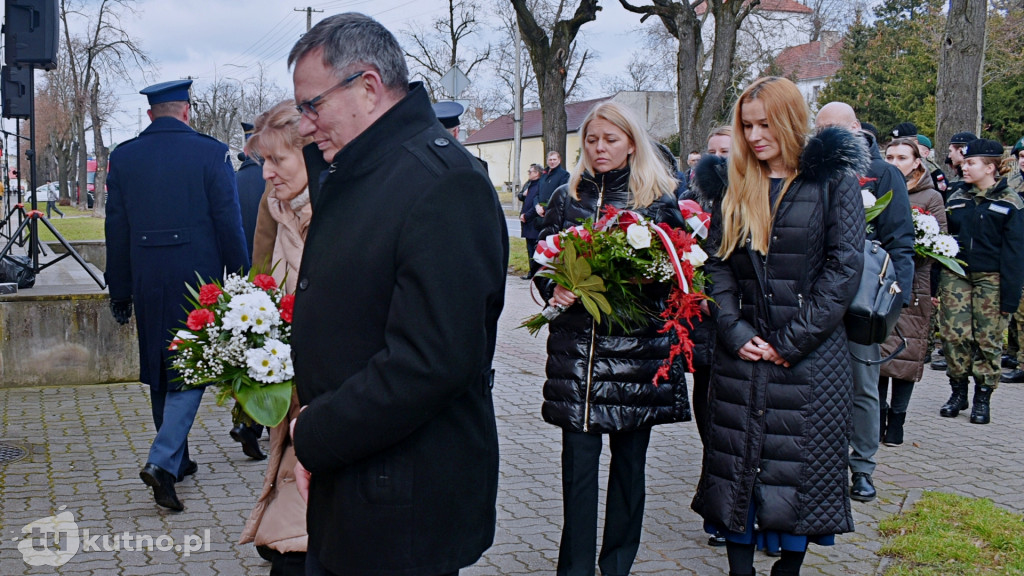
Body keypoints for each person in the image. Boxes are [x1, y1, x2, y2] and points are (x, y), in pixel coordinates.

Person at [286, 13, 508, 576]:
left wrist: (316, 434)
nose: (307, 124)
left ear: (367, 85)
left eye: (313, 105)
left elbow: (431, 361)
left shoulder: (441, 183)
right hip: (359, 476)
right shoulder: (367, 169)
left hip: (403, 497)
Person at [691, 76, 865, 576]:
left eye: (765, 124)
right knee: (736, 461)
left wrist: (790, 342)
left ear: (790, 119)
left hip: (809, 358)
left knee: (800, 466)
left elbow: (844, 268)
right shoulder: (734, 183)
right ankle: (739, 567)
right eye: (747, 125)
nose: (755, 135)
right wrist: (736, 332)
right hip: (741, 352)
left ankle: (788, 567)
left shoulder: (834, 181)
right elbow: (717, 265)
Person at [535, 100, 690, 576]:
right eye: (592, 140)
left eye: (611, 140)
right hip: (578, 358)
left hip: (635, 357)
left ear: (631, 143)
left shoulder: (658, 198)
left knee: (628, 471)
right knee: (577, 473)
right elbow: (542, 261)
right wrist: (553, 285)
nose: (600, 149)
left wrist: (641, 278)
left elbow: (681, 272)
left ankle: (617, 565)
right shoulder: (567, 196)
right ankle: (575, 568)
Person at [104, 79, 250, 511]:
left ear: (151, 114)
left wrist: (121, 289)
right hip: (198, 278)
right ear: (187, 111)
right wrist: (239, 279)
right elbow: (229, 221)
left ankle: (179, 460)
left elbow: (116, 229)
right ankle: (166, 461)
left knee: (159, 366)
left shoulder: (124, 156)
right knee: (193, 366)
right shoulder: (210, 152)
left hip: (149, 276)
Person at [814, 101, 915, 504]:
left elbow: (900, 240)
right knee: (817, 386)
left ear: (855, 127)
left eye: (836, 129)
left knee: (863, 386)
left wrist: (895, 300)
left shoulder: (884, 172)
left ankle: (862, 467)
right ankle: (821, 464)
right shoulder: (814, 170)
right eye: (821, 130)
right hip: (820, 296)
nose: (828, 137)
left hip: (862, 299)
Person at [239, 99, 314, 576]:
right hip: (289, 402)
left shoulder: (343, 214)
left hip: (326, 407)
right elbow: (260, 281)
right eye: (261, 160)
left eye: (276, 159)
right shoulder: (275, 204)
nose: (265, 173)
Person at [938, 138, 1024, 425]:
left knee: (987, 339)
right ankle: (958, 391)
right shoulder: (956, 196)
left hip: (992, 279)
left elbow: (1014, 254)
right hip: (957, 274)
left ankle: (982, 397)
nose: (964, 167)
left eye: (971, 163)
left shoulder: (1010, 201)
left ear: (990, 167)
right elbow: (943, 240)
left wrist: (1010, 298)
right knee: (953, 336)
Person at [877, 137, 946, 446]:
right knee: (877, 353)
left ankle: (898, 419)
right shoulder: (879, 189)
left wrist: (915, 244)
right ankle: (876, 416)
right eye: (889, 156)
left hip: (915, 282)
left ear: (917, 162)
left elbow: (941, 242)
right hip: (879, 279)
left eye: (902, 157)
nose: (894, 162)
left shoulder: (931, 197)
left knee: (907, 353)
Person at [684, 124, 730, 549]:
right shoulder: (691, 199)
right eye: (710, 152)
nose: (716, 159)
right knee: (709, 417)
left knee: (734, 424)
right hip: (702, 327)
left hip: (738, 327)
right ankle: (716, 505)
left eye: (726, 151)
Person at [230, 120, 271, 462]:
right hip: (273, 278)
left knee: (252, 355)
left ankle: (250, 422)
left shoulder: (232, 180)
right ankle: (257, 423)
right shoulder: (278, 180)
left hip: (239, 282)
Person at [1001, 139, 1024, 383]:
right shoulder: (1013, 184)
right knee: (1017, 309)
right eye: (1022, 156)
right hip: (1018, 250)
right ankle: (1015, 353)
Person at [517, 163, 543, 279]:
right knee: (529, 248)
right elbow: (521, 196)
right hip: (527, 221)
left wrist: (526, 216)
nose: (528, 173)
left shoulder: (540, 186)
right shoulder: (529, 184)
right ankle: (531, 272)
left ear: (537, 173)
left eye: (530, 171)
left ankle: (536, 273)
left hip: (534, 221)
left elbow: (536, 204)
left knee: (536, 248)